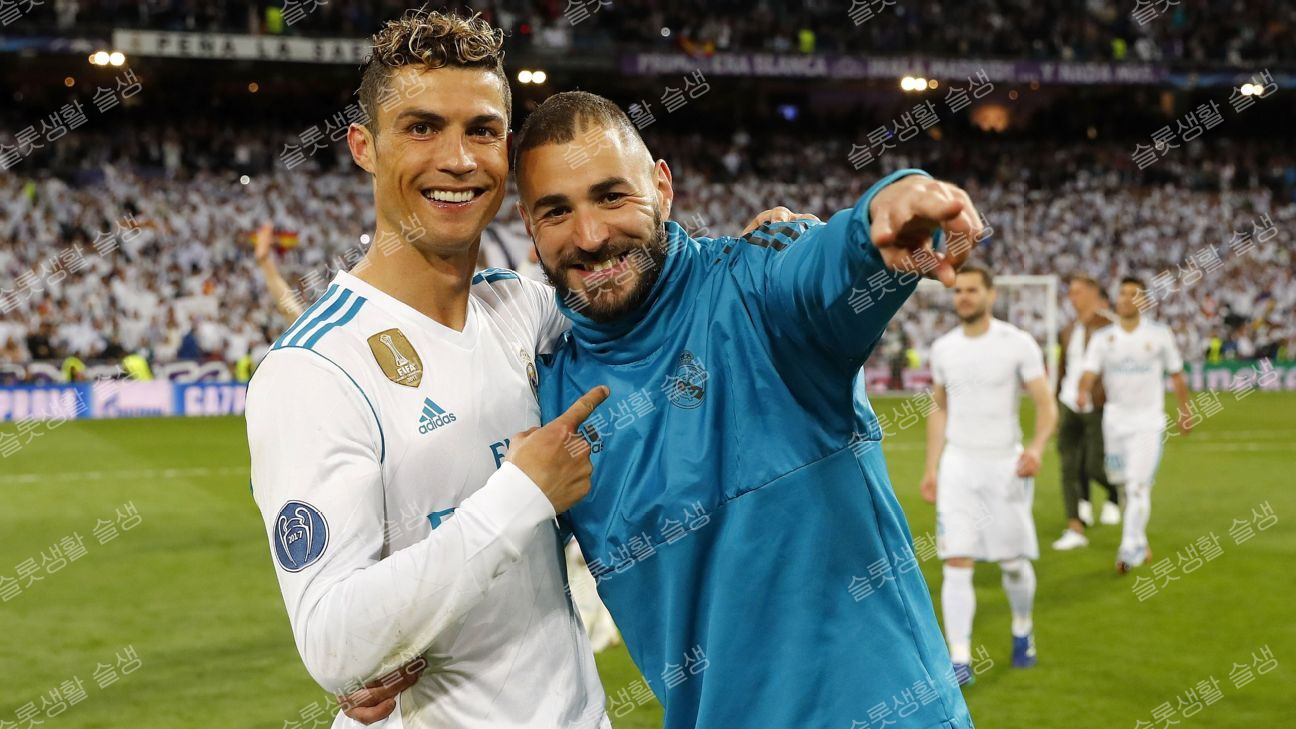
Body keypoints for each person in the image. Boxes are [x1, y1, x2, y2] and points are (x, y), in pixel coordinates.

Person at [513, 91, 980, 728]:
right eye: (557, 211)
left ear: (662, 187)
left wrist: (883, 215)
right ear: (528, 224)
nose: (590, 235)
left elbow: (825, 272)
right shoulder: (549, 398)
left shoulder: (758, 283)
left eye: (612, 196)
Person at [245, 11, 614, 728]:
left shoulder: (524, 310)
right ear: (364, 146)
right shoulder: (313, 371)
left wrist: (757, 252)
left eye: (481, 130)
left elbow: (658, 318)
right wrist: (522, 494)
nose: (458, 159)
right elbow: (335, 644)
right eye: (421, 128)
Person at [919, 265, 1057, 685]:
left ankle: (1022, 629)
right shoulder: (943, 348)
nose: (963, 296)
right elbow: (939, 409)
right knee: (956, 560)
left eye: (972, 290)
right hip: (959, 464)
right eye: (958, 290)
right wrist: (932, 466)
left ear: (991, 295)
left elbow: (1046, 405)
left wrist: (1036, 448)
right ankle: (959, 659)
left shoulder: (1017, 343)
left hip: (1004, 465)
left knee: (1012, 563)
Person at [1076, 277, 1193, 574]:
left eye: (1133, 294)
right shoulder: (1104, 338)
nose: (1126, 298)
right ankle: (1139, 539)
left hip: (1148, 423)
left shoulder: (1159, 335)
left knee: (1138, 485)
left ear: (1144, 301)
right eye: (1122, 293)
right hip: (1114, 422)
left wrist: (1185, 410)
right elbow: (1089, 371)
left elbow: (1176, 374)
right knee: (1123, 485)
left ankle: (1129, 548)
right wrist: (1082, 390)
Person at [1052, 274, 1118, 551]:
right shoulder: (1068, 330)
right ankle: (1074, 526)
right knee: (1068, 467)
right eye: (1071, 292)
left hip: (1097, 405)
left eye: (1078, 291)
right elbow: (1063, 370)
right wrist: (1056, 406)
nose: (1072, 297)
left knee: (1093, 466)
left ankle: (1117, 492)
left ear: (1093, 292)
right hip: (1068, 403)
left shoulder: (1110, 327)